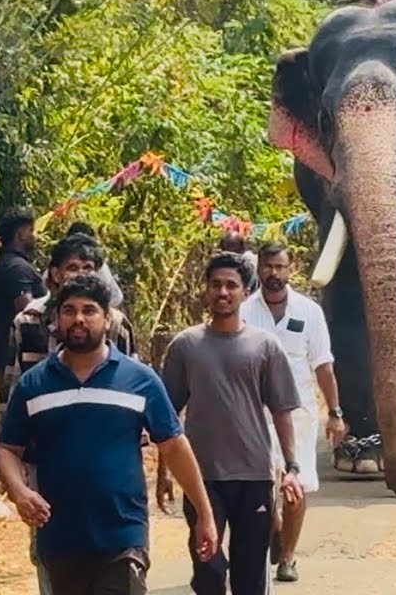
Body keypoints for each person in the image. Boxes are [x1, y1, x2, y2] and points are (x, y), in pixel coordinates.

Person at [0, 275, 218, 594]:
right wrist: (19, 492)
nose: (78, 318)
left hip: (122, 537)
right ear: (57, 319)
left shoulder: (140, 380)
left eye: (89, 310)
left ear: (108, 318)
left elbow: (174, 446)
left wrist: (204, 515)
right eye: (69, 310)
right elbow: (7, 449)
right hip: (58, 540)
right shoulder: (34, 384)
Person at [157, 252, 304, 595]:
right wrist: (165, 472)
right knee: (207, 567)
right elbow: (167, 418)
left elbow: (281, 411)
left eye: (231, 286)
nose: (223, 292)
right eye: (216, 285)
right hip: (201, 478)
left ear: (245, 292)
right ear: (205, 290)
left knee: (249, 575)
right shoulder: (185, 346)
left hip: (254, 476)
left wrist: (291, 467)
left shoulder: (265, 346)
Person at [8, 234, 138, 594]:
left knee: (114, 548)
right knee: (48, 542)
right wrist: (14, 463)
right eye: (72, 267)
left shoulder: (116, 323)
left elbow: (133, 389)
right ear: (54, 273)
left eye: (89, 268)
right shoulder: (27, 321)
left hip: (106, 455)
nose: (80, 274)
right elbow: (13, 389)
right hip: (44, 455)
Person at [238, 242, 347, 582]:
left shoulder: (309, 312)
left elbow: (323, 365)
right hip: (254, 416)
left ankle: (287, 557)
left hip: (298, 416)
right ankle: (273, 529)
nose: (273, 273)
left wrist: (335, 412)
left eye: (279, 267)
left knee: (295, 488)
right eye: (268, 266)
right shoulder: (244, 311)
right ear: (259, 269)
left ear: (291, 269)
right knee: (258, 488)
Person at [0, 210, 47, 401]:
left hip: (5, 347)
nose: (34, 236)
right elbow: (28, 310)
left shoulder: (5, 264)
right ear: (20, 234)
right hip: (17, 352)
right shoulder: (17, 268)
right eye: (31, 231)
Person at [64, 221, 125, 308]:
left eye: (87, 268)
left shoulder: (98, 265)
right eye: (73, 268)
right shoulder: (59, 264)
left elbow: (115, 298)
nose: (81, 273)